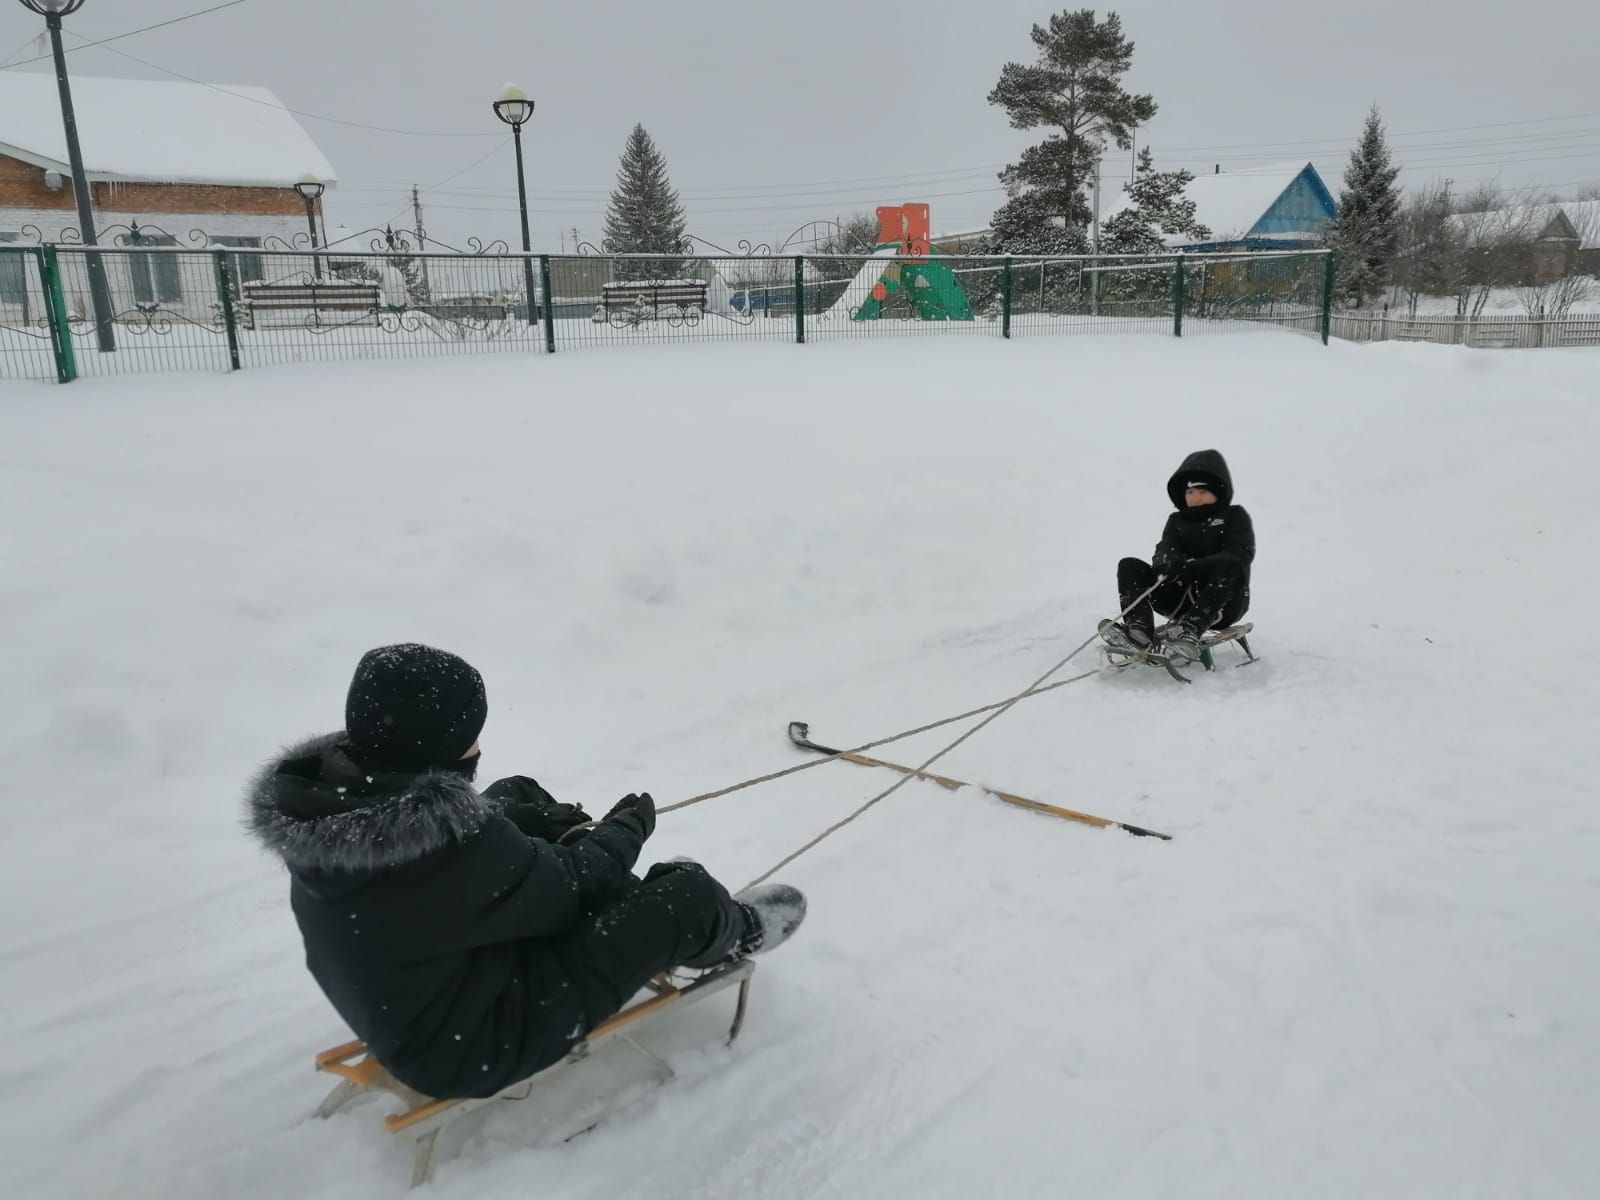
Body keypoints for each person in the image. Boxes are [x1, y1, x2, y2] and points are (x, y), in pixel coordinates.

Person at [245, 643, 805, 1100]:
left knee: (515, 793)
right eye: (471, 734)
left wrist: (525, 818)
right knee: (684, 895)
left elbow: (477, 848)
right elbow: (576, 883)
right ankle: (727, 928)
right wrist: (625, 830)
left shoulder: (332, 802)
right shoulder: (456, 851)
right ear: (439, 745)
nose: (479, 745)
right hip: (475, 1044)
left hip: (417, 990)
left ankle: (641, 914)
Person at [1100, 449, 1255, 666]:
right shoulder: (1176, 520)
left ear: (1217, 492)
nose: (1194, 498)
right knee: (1129, 565)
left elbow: (1239, 554)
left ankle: (1190, 630)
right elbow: (1165, 548)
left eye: (1201, 492)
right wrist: (1165, 565)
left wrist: (1192, 568)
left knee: (1230, 565)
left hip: (1223, 603)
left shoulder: (1234, 516)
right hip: (1179, 598)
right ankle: (1139, 632)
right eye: (1190, 493)